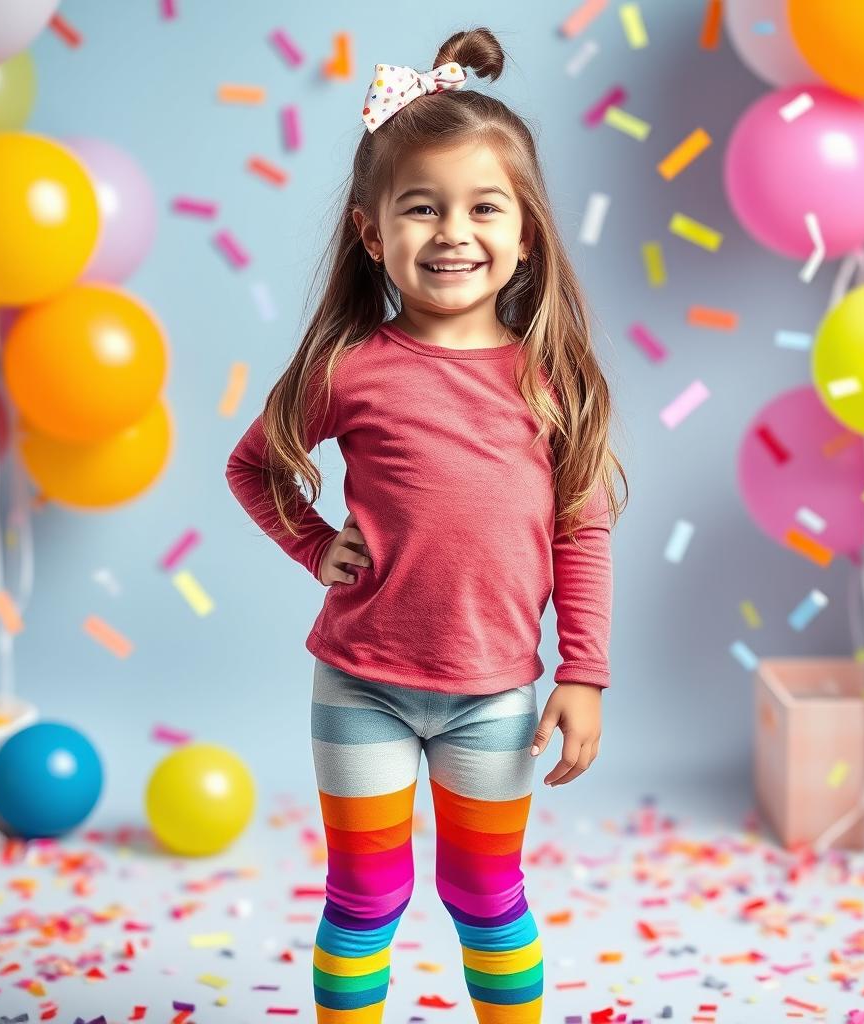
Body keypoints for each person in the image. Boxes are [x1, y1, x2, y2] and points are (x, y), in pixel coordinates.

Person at [225, 25, 628, 1024]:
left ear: (525, 231)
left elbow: (581, 535)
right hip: (359, 684)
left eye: (482, 207)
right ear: (373, 233)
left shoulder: (550, 383)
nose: (452, 231)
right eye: (421, 208)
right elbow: (253, 465)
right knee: (363, 899)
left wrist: (580, 673)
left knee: (487, 900)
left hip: (492, 695)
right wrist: (316, 544)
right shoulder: (348, 366)